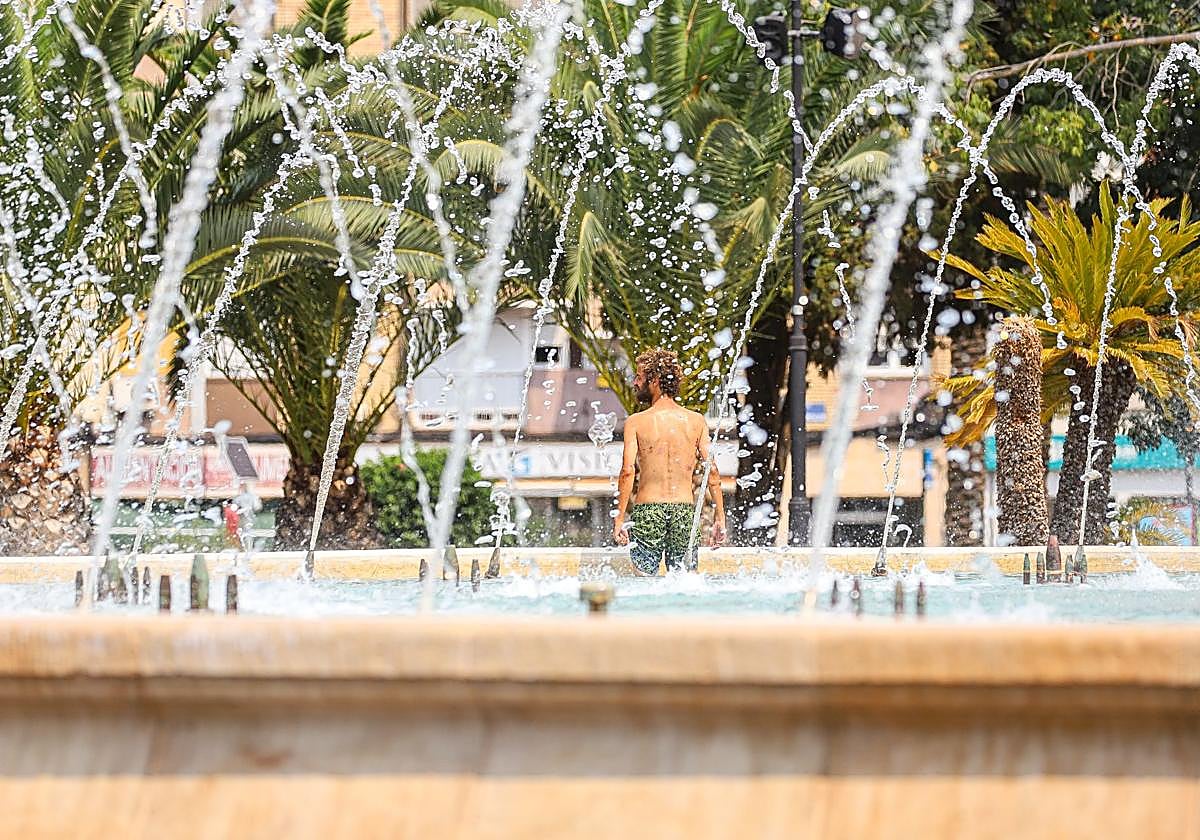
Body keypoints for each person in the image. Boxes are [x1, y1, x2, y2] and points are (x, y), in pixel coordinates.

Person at [613, 349, 726, 574]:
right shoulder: (695, 421)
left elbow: (627, 472)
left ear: (654, 380)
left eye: (639, 377)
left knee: (644, 583)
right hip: (684, 510)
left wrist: (619, 518)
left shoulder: (636, 422)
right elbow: (711, 472)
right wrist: (720, 517)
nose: (634, 382)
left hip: (647, 511)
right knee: (685, 582)